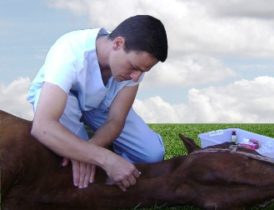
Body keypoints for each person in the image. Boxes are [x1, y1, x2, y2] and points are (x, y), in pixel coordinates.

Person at [27, 15, 168, 192]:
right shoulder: (69, 50)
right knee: (76, 163)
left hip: (100, 105)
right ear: (117, 43)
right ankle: (90, 145)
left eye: (143, 71)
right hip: (62, 102)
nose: (136, 77)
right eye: (134, 67)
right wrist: (104, 158)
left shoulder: (134, 67)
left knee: (152, 154)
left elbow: (116, 120)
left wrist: (88, 150)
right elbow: (42, 126)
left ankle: (91, 143)